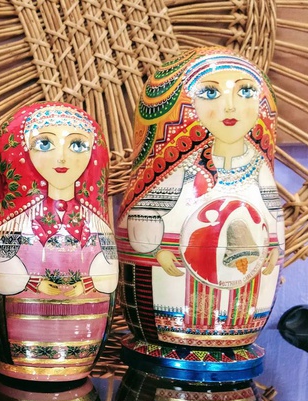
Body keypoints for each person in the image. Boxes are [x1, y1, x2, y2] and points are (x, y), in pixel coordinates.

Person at [118, 47, 284, 348]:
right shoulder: (175, 167)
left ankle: (236, 334)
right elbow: (146, 211)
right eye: (210, 93)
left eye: (245, 92)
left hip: (246, 293)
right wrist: (156, 250)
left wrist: (273, 248)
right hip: (173, 284)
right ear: (182, 106)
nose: (230, 107)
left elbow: (272, 215)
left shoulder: (260, 169)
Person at [0, 102, 118, 380]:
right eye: (44, 144)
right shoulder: (11, 222)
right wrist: (35, 284)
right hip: (18, 330)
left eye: (77, 145)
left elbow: (105, 275)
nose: (62, 158)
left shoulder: (96, 222)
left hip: (84, 323)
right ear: (22, 153)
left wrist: (85, 285)